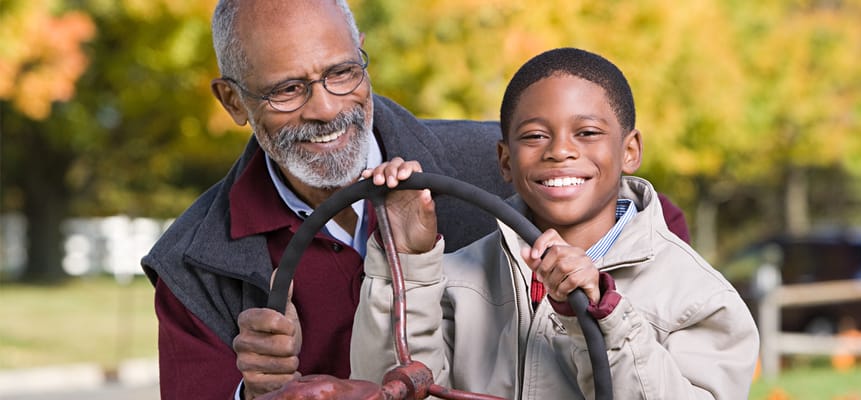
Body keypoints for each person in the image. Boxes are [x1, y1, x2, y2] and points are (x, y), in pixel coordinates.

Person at [140, 2, 692, 400]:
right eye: (287, 89)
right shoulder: (196, 260)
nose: (326, 108)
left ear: (365, 62)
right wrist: (255, 391)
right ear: (233, 100)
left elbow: (649, 228)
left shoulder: (501, 167)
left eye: (341, 73)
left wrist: (601, 304)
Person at [352, 47, 759, 399]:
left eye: (586, 132)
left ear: (630, 150)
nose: (560, 150)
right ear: (506, 161)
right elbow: (391, 386)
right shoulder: (456, 278)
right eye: (534, 136)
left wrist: (605, 317)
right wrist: (408, 263)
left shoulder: (698, 297)